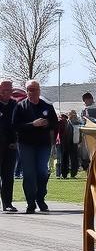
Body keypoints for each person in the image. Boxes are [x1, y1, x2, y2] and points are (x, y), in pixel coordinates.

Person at [12, 80, 58, 213]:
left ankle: (41, 198)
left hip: (43, 145)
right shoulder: (20, 106)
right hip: (26, 144)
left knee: (42, 172)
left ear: (39, 90)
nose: (32, 92)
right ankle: (30, 202)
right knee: (29, 174)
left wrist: (46, 123)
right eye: (30, 89)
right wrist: (33, 124)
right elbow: (15, 126)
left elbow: (55, 124)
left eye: (35, 89)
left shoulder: (47, 106)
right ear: (26, 91)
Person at [0, 79, 18, 212]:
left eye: (10, 90)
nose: (8, 92)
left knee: (8, 175)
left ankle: (8, 203)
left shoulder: (14, 104)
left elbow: (17, 124)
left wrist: (16, 141)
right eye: (5, 90)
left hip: (10, 145)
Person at [61, 110, 81, 179]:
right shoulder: (65, 123)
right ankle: (65, 174)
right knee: (66, 159)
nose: (73, 116)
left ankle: (72, 174)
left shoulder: (77, 123)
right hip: (66, 143)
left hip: (73, 143)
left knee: (73, 159)